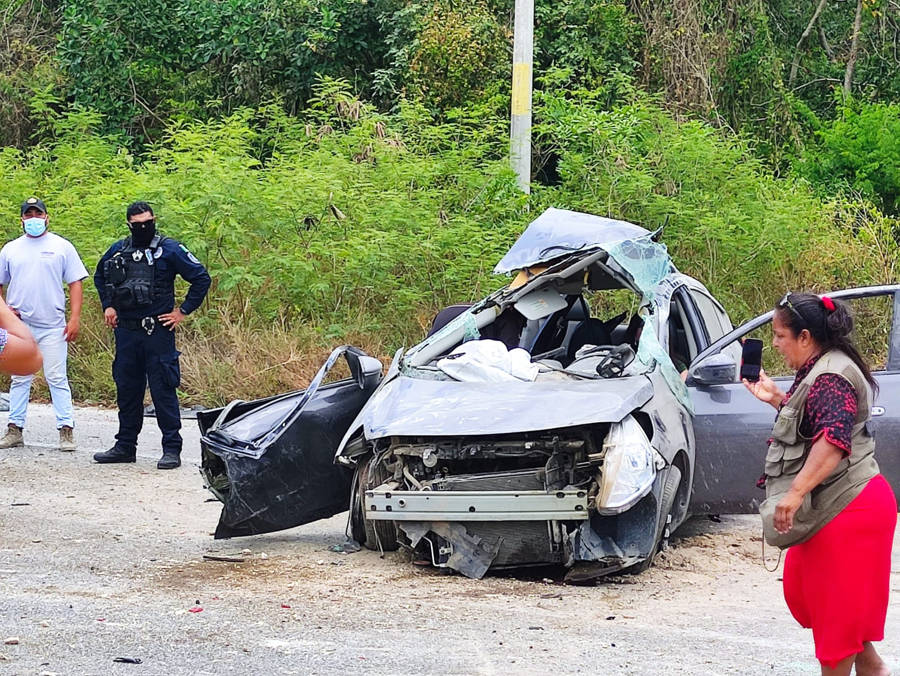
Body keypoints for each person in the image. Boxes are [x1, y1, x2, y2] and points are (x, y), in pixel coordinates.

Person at [743, 292, 896, 676]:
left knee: (837, 626)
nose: (775, 344)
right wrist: (779, 399)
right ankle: (875, 669)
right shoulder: (822, 368)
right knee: (814, 597)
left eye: (780, 336)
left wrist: (794, 495)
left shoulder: (830, 376)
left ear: (806, 336)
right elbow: (816, 422)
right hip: (840, 506)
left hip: (850, 509)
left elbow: (832, 440)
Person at [92, 201, 210, 469]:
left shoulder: (169, 249)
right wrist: (108, 305)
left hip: (157, 331)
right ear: (129, 225)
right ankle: (125, 446)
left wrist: (182, 311)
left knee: (163, 390)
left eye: (148, 222)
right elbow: (101, 276)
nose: (144, 227)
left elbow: (201, 277)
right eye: (138, 224)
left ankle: (171, 449)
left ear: (154, 220)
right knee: (127, 391)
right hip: (126, 332)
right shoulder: (119, 249)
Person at [0, 197, 88, 451]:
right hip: (20, 326)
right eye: (29, 215)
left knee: (57, 377)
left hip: (53, 325)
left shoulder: (61, 247)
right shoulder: (10, 249)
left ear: (47, 217)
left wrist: (74, 318)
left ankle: (66, 429)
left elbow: (75, 282)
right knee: (20, 377)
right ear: (22, 220)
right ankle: (15, 429)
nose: (33, 218)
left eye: (38, 213)